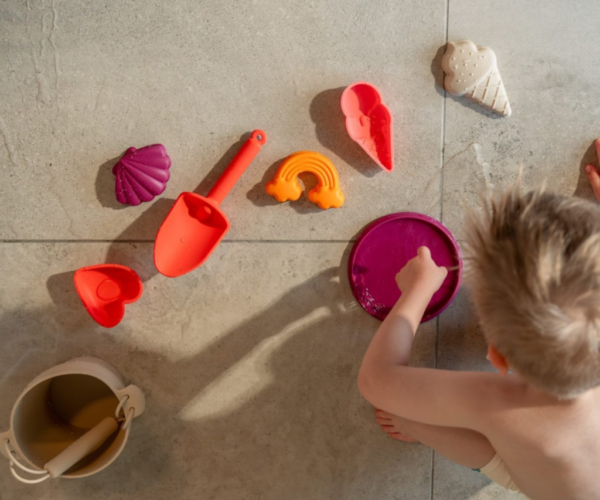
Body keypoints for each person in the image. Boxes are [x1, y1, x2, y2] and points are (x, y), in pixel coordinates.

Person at [358, 143, 600, 500]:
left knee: (430, 420)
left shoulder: (498, 403)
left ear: (497, 358)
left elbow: (375, 380)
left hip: (527, 474)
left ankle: (414, 425)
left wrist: (416, 292)